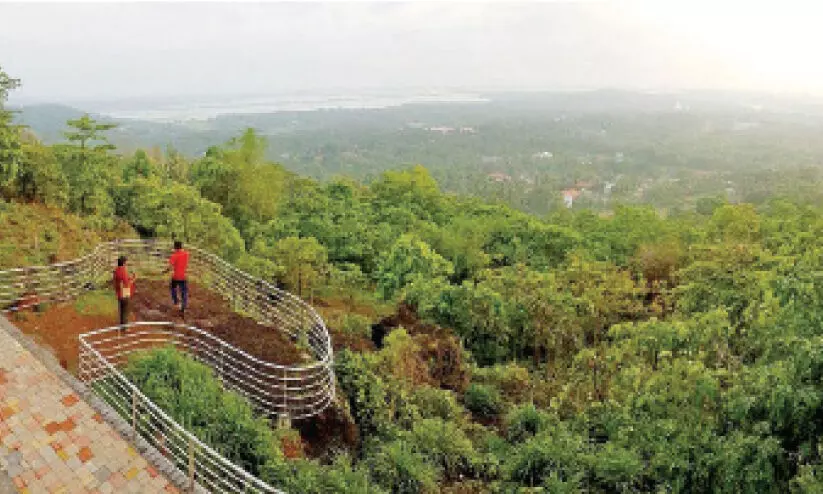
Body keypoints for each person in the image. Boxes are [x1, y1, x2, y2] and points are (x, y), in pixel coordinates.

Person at [168, 240, 190, 317]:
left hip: (176, 277)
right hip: (183, 276)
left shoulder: (174, 256)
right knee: (184, 292)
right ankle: (183, 307)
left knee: (172, 288)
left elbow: (170, 266)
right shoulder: (186, 254)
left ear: (175, 247)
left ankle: (176, 302)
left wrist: (165, 270)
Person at [113, 256, 136, 326]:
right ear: (123, 263)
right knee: (125, 309)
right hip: (124, 291)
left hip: (119, 292)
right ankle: (124, 326)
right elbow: (127, 283)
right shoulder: (123, 271)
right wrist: (134, 279)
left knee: (121, 309)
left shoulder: (116, 270)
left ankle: (121, 323)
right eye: (125, 262)